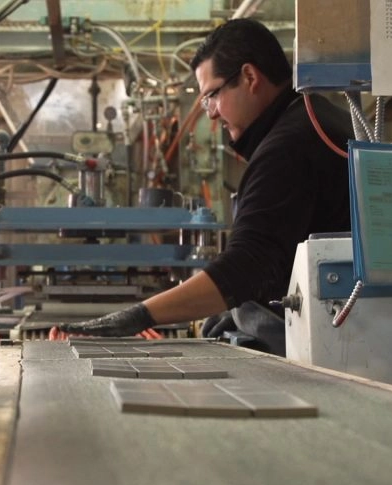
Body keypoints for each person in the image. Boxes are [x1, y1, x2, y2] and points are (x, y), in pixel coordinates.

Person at [59, 18, 353, 356]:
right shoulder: (316, 117)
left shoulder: (287, 146)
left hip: (337, 345)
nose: (211, 114)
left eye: (211, 96)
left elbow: (247, 265)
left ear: (250, 77)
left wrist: (141, 315)